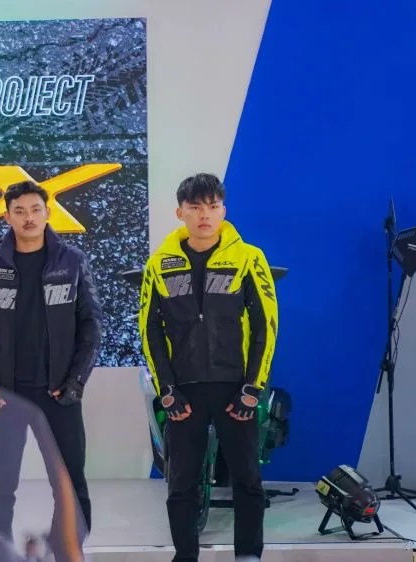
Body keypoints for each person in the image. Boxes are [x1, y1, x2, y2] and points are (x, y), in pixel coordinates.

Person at [138, 173, 278, 562]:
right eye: (196, 207)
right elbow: (149, 331)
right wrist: (167, 390)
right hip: (184, 392)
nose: (205, 215)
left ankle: (248, 555)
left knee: (247, 478)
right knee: (181, 482)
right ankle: (185, 555)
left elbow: (266, 327)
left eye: (213, 206)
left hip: (236, 389)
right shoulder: (159, 264)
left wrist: (253, 388)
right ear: (180, 212)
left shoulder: (249, 258)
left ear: (223, 210)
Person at [0, 180, 102, 541]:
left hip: (60, 394)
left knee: (70, 483)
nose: (28, 217)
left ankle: (69, 549)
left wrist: (76, 381)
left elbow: (91, 323)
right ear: (7, 217)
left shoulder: (72, 261)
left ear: (47, 213)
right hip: (6, 396)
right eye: (20, 211)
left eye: (35, 210)